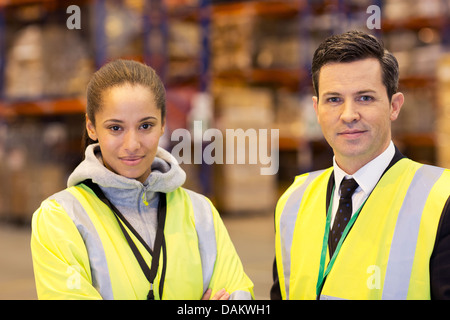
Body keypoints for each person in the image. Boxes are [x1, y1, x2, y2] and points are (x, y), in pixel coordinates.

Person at [31, 59, 254, 300]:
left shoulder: (201, 213)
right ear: (91, 127)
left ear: (163, 125)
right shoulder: (61, 218)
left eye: (145, 126)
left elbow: (240, 297)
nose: (132, 145)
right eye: (116, 128)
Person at [271, 30, 450, 300]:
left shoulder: (441, 201)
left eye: (365, 98)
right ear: (316, 109)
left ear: (394, 106)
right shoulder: (292, 203)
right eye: (334, 100)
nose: (349, 115)